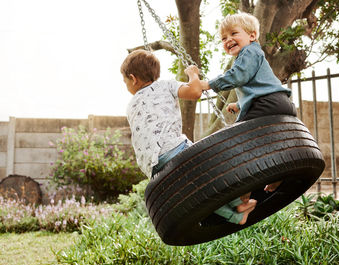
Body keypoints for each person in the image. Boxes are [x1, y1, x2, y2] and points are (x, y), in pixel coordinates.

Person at [121, 49, 257, 225]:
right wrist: (193, 74)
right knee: (208, 174)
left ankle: (236, 216)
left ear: (133, 78)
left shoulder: (131, 105)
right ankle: (238, 203)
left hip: (151, 166)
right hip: (173, 149)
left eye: (124, 81)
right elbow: (195, 92)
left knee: (193, 192)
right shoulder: (165, 85)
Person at [200, 12, 297, 194]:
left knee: (239, 140)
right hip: (279, 103)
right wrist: (239, 105)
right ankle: (278, 175)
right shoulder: (252, 55)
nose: (228, 40)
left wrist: (208, 84)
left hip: (267, 104)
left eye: (234, 33)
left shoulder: (250, 51)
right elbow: (258, 86)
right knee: (268, 143)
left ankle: (244, 187)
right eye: (223, 38)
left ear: (252, 36)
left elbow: (238, 76)